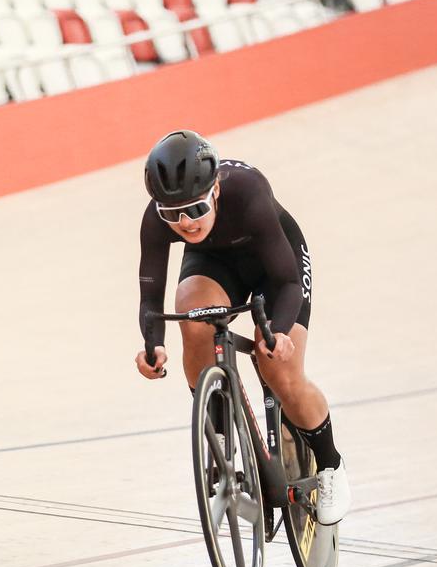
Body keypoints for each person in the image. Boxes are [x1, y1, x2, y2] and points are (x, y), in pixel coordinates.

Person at [134, 130, 351, 525]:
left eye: (196, 209)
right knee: (193, 320)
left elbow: (286, 282)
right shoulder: (159, 218)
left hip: (275, 263)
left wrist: (280, 332)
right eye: (172, 214)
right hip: (215, 265)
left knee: (279, 369)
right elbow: (151, 301)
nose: (185, 223)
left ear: (215, 190)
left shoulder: (248, 194)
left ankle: (330, 465)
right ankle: (219, 441)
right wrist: (153, 345)